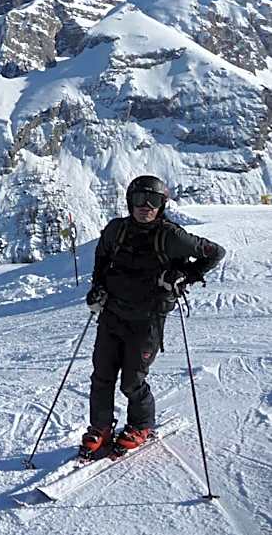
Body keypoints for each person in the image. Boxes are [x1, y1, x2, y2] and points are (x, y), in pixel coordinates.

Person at [79, 175, 225, 458]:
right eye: (139, 200)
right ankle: (100, 428)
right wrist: (97, 288)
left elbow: (215, 253)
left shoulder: (171, 236)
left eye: (154, 201)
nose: (146, 206)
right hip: (112, 314)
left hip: (148, 319)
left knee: (132, 380)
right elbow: (101, 258)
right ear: (129, 202)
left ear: (162, 205)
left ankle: (140, 425)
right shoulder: (115, 230)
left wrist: (185, 275)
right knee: (102, 375)